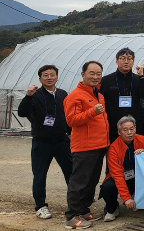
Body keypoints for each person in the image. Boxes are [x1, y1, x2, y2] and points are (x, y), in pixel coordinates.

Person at [18, 65, 72, 220]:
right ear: (40, 78)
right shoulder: (35, 94)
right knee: (40, 175)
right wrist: (28, 96)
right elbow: (22, 112)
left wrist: (70, 134)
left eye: (52, 75)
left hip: (61, 140)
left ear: (57, 76)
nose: (49, 77)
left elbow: (67, 115)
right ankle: (41, 206)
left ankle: (74, 203)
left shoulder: (63, 94)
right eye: (45, 75)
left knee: (71, 172)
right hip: (41, 142)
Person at [63, 61, 110, 229]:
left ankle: (83, 210)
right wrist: (92, 112)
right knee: (79, 182)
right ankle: (71, 216)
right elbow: (71, 120)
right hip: (84, 146)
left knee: (91, 181)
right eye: (91, 73)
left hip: (99, 145)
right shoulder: (75, 95)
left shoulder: (99, 94)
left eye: (98, 74)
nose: (95, 77)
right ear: (83, 74)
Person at [99, 115, 144, 222]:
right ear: (119, 132)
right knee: (107, 186)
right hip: (122, 177)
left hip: (137, 176)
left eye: (132, 129)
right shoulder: (113, 148)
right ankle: (111, 209)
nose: (129, 132)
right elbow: (117, 174)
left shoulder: (143, 140)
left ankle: (138, 198)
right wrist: (126, 198)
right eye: (125, 130)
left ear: (135, 128)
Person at [100, 48, 144, 141]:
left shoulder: (139, 79)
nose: (126, 61)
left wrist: (142, 77)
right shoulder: (106, 80)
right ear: (116, 60)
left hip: (133, 127)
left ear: (133, 61)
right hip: (113, 128)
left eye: (129, 58)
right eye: (122, 58)